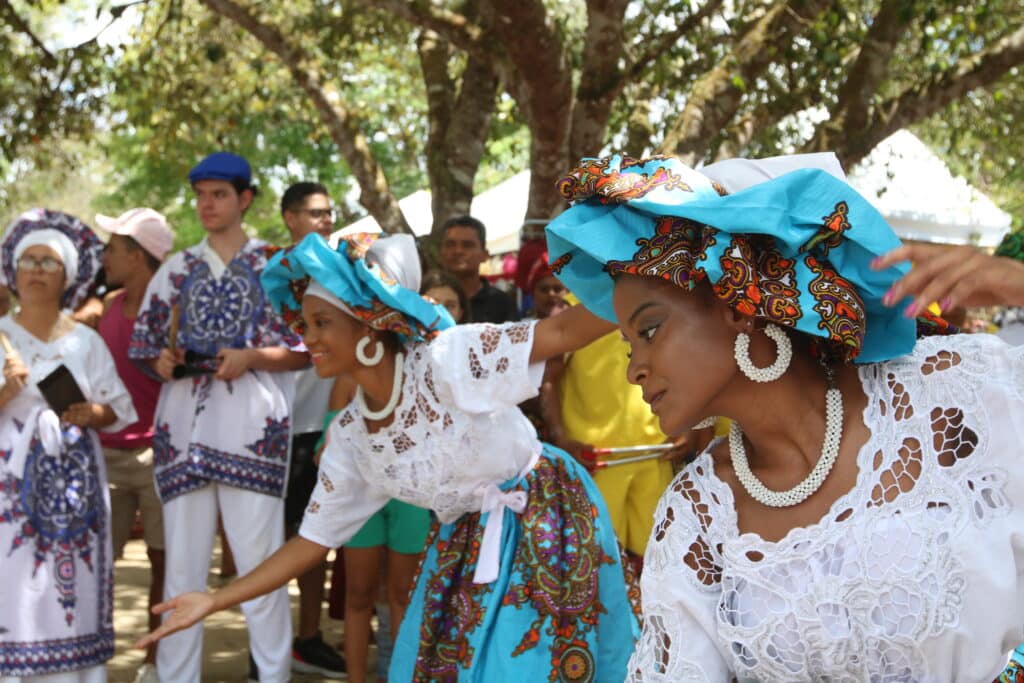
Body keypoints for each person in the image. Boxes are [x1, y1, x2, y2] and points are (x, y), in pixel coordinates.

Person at [546, 152, 1024, 681]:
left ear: (737, 304)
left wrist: (1018, 285)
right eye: (627, 342)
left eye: (650, 330)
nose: (634, 369)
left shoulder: (950, 398)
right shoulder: (699, 513)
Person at [136, 230, 641, 681]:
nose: (306, 337)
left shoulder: (446, 361)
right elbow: (312, 542)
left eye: (320, 323)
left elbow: (558, 334)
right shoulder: (354, 438)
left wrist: (649, 272)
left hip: (544, 516)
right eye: (305, 325)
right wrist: (215, 599)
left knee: (528, 667)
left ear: (369, 326)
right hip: (461, 544)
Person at [128, 152, 307, 683]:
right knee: (181, 572)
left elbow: (309, 348)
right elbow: (145, 346)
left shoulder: (277, 267)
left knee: (260, 570)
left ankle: (272, 675)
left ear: (245, 199)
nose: (207, 204)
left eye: (219, 194)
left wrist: (252, 358)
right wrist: (160, 361)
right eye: (201, 194)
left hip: (252, 434)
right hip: (184, 434)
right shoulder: (177, 269)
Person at [0, 209, 138, 682]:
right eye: (29, 260)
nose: (37, 269)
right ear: (13, 271)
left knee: (69, 582)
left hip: (73, 489)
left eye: (48, 262)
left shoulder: (86, 342)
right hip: (8, 489)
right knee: (11, 583)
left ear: (68, 276)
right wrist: (6, 393)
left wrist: (89, 413)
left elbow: (117, 408)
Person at [95, 208, 175, 683]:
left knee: (164, 561)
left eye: (112, 248)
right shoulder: (105, 308)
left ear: (138, 255)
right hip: (105, 456)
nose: (104, 256)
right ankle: (90, 657)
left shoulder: (173, 313)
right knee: (98, 564)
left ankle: (155, 661)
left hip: (159, 456)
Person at [279, 181, 347, 678]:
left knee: (313, 537)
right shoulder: (273, 277)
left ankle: (307, 638)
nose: (325, 221)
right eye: (315, 213)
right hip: (269, 431)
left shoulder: (342, 273)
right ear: (289, 218)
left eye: (329, 213)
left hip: (320, 429)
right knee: (272, 543)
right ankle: (271, 647)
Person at [439, 215, 520, 323]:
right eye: (450, 245)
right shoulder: (427, 300)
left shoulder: (502, 304)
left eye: (467, 245)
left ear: (484, 255)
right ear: (441, 252)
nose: (458, 251)